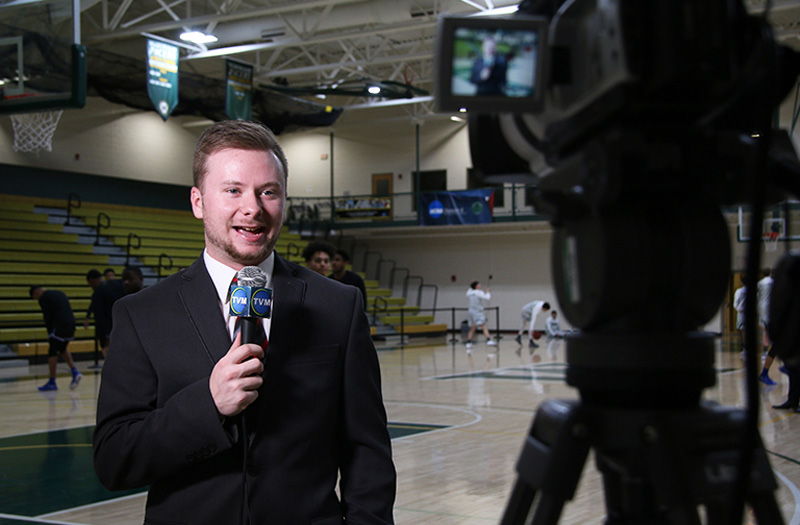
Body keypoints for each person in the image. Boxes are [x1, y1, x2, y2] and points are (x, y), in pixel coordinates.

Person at [93, 120, 396, 524]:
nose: (252, 207)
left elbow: (367, 450)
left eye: (268, 192)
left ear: (284, 201)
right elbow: (114, 459)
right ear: (199, 201)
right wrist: (209, 404)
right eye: (233, 190)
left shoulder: (338, 306)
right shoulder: (142, 314)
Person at [29, 286, 82, 391]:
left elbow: (47, 316)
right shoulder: (59, 293)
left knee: (52, 351)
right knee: (62, 349)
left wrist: (50, 332)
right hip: (70, 325)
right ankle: (75, 371)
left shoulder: (44, 298)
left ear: (37, 292)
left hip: (59, 327)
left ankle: (52, 381)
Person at [84, 270, 126, 359]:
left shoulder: (99, 292)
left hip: (111, 329)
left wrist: (104, 342)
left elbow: (100, 319)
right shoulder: (119, 284)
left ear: (92, 280)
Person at [758, 268, 778, 385]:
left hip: (763, 312)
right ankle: (764, 373)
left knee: (767, 335)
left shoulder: (760, 283)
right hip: (771, 313)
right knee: (777, 344)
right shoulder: (774, 283)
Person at [465, 281, 497, 350]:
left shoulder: (469, 293)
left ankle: (468, 343)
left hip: (470, 311)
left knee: (472, 328)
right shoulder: (479, 292)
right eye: (479, 284)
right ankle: (489, 340)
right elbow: (487, 298)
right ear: (476, 286)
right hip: (477, 312)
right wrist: (488, 292)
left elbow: (470, 289)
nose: (480, 285)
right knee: (484, 326)